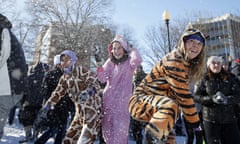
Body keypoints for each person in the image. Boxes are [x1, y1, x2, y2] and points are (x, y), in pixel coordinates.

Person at [128, 28, 207, 144]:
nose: (195, 46)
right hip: (141, 101)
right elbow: (184, 96)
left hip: (161, 110)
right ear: (183, 42)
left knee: (169, 140)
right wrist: (196, 125)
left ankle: (156, 136)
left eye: (199, 44)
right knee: (171, 106)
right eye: (192, 42)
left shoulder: (186, 64)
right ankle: (152, 137)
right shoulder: (175, 59)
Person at [42, 50, 102, 144]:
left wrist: (88, 92)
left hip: (92, 112)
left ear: (73, 60)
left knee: (84, 141)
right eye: (62, 60)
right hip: (79, 114)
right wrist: (47, 106)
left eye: (67, 59)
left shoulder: (81, 70)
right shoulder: (65, 78)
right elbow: (57, 93)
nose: (64, 62)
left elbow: (95, 83)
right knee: (68, 140)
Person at [96, 35, 142, 143]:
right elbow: (102, 78)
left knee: (120, 136)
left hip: (122, 104)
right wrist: (99, 65)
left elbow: (137, 61)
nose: (116, 51)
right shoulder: (110, 62)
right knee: (107, 134)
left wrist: (133, 49)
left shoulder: (129, 62)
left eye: (119, 48)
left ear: (124, 49)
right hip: (108, 103)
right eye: (114, 48)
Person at [194, 56, 240, 144]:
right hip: (210, 120)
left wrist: (227, 100)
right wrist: (211, 99)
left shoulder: (230, 77)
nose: (216, 65)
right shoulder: (203, 78)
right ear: (208, 65)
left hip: (229, 119)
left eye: (218, 63)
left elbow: (238, 95)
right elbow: (196, 96)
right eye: (213, 63)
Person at [34, 54, 75, 144]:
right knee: (54, 130)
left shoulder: (65, 75)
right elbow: (46, 91)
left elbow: (67, 93)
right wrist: (48, 104)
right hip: (55, 108)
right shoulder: (53, 75)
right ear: (58, 64)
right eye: (62, 62)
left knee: (60, 131)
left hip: (61, 108)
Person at [0, 14, 28, 140]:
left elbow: (2, 56)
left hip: (7, 88)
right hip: (13, 89)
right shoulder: (8, 33)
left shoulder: (3, 31)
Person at [18, 61, 46, 143]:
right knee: (37, 121)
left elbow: (23, 91)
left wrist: (22, 102)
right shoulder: (45, 78)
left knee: (27, 121)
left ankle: (28, 135)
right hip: (40, 104)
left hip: (28, 103)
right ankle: (35, 135)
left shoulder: (28, 78)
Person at [130, 65, 147, 144]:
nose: (136, 70)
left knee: (143, 128)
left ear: (141, 69)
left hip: (143, 105)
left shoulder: (145, 77)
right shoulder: (131, 78)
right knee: (135, 129)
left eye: (138, 68)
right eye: (135, 68)